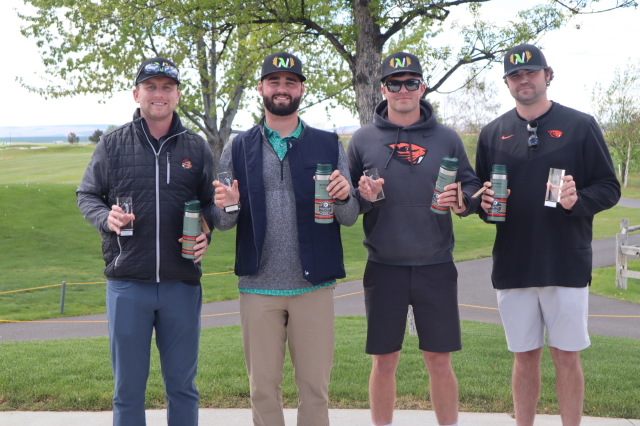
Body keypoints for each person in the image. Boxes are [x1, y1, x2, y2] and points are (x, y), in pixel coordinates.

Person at [475, 44, 621, 426]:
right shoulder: (491, 134)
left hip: (565, 261)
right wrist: (483, 205)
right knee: (524, 357)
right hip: (513, 264)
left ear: (548, 75)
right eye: (515, 75)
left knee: (567, 356)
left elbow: (609, 187)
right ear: (507, 82)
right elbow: (483, 198)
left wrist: (577, 200)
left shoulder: (580, 125)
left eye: (531, 72)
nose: (523, 80)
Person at [212, 51, 359, 426]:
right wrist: (229, 205)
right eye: (274, 81)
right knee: (262, 389)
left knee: (315, 390)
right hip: (258, 286)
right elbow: (223, 222)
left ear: (301, 89)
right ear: (261, 88)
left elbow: (348, 217)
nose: (282, 88)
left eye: (290, 82)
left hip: (314, 285)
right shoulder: (237, 147)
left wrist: (345, 196)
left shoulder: (328, 143)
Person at [77, 57, 214, 426]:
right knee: (127, 390)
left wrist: (205, 233)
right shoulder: (112, 144)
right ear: (136, 94)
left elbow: (211, 204)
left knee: (182, 387)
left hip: (181, 284)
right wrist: (105, 218)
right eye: (150, 87)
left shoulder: (196, 147)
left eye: (167, 87)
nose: (159, 94)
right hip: (127, 284)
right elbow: (87, 195)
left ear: (177, 95)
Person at [347, 51, 481, 426]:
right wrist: (364, 196)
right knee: (384, 361)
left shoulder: (447, 138)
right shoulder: (362, 139)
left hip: (436, 264)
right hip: (383, 265)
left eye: (410, 82)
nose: (402, 89)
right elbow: (348, 203)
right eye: (394, 83)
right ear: (383, 89)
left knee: (439, 360)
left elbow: (470, 185)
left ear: (422, 87)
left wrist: (463, 201)